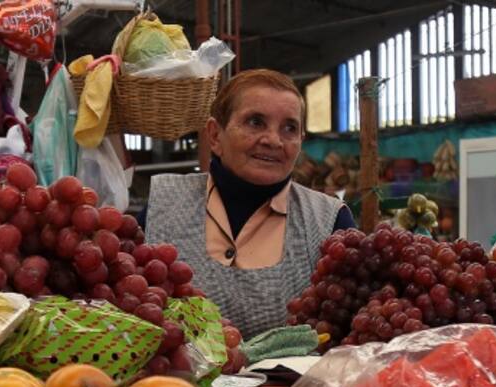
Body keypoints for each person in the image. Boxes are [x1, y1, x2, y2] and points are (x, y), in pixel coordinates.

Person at [145, 69, 354, 338]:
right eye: (255, 122)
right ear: (215, 136)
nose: (273, 140)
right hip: (172, 382)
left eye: (289, 128)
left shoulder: (330, 221)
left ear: (300, 141)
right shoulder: (162, 205)